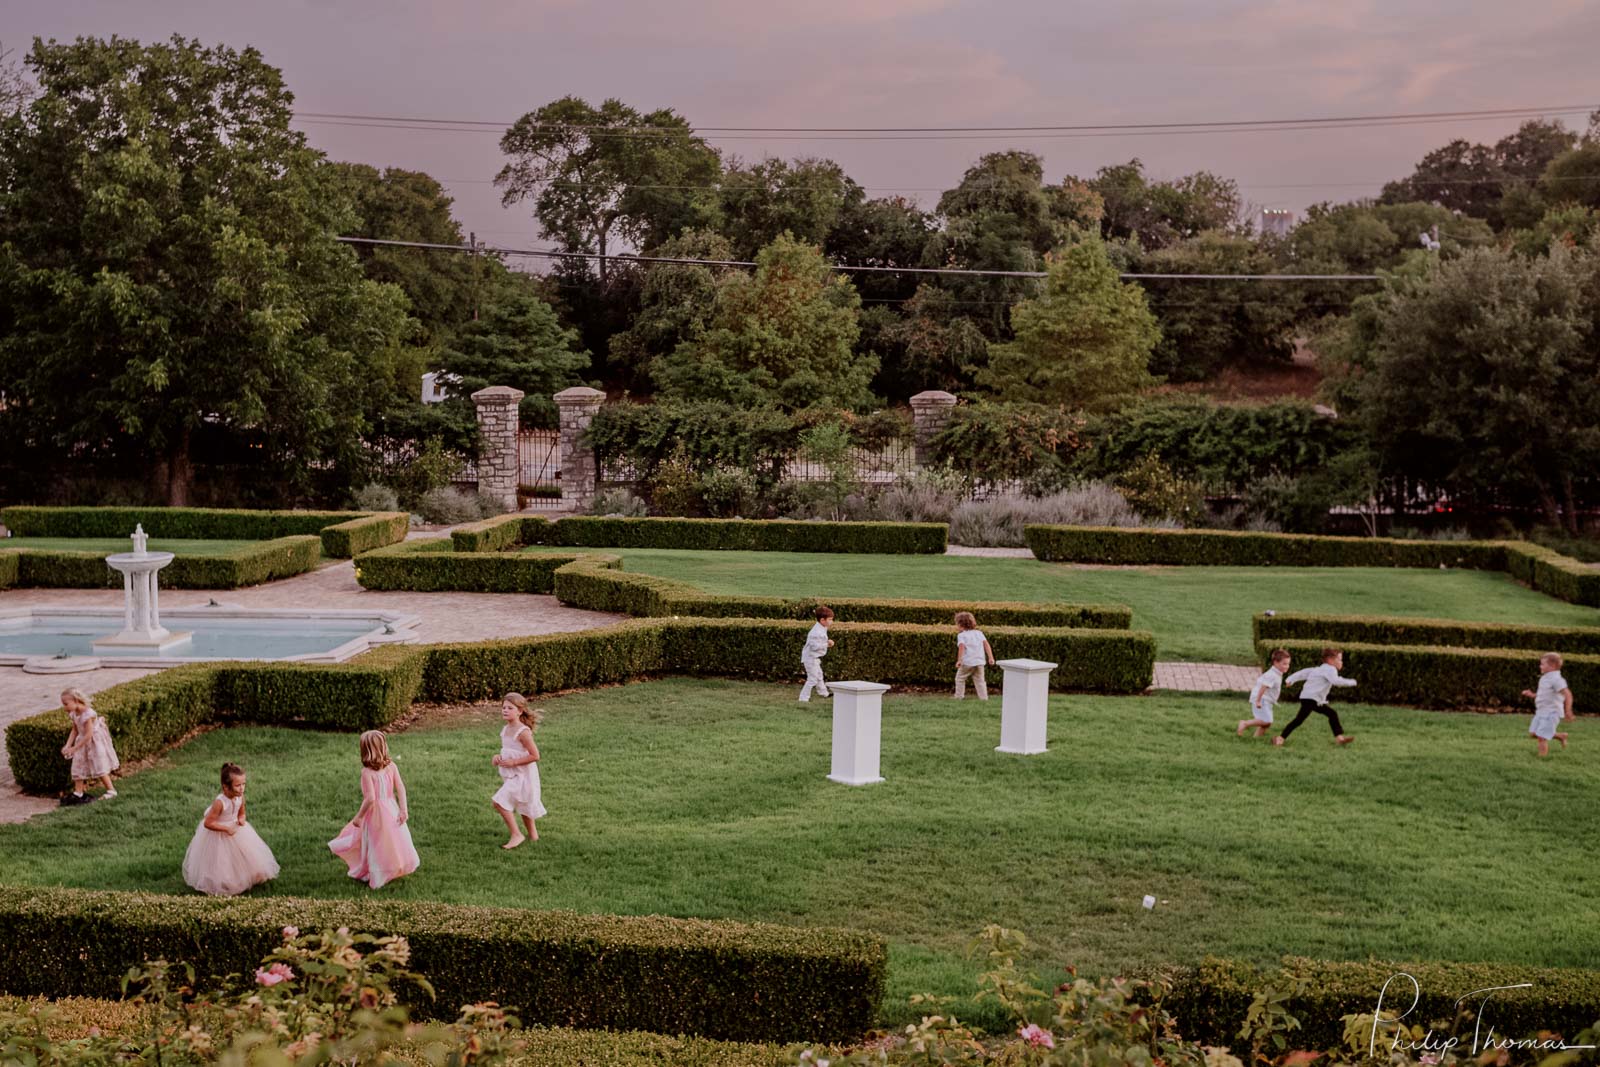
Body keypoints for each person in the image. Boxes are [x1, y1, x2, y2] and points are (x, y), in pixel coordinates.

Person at [329, 730, 419, 889]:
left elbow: (370, 798)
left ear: (364, 751)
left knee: (376, 842)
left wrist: (359, 816)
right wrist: (403, 809)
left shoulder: (366, 773)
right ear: (384, 747)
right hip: (391, 808)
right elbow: (401, 788)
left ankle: (378, 874)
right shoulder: (391, 766)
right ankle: (394, 866)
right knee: (393, 840)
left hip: (376, 814)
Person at [182, 762, 280, 896]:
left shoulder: (240, 797)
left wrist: (241, 819)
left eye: (244, 784)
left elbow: (242, 812)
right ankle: (224, 882)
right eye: (238, 785)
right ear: (225, 787)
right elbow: (208, 823)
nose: (242, 788)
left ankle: (249, 876)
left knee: (246, 856)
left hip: (237, 830)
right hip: (219, 834)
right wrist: (226, 828)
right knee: (222, 861)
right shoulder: (220, 803)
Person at [492, 693, 547, 849]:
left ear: (520, 711)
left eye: (510, 708)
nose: (505, 710)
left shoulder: (523, 732)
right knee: (523, 803)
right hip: (512, 774)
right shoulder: (506, 729)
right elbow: (508, 750)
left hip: (523, 775)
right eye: (503, 707)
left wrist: (514, 762)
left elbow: (535, 755)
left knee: (498, 802)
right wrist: (497, 757)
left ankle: (517, 834)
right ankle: (534, 837)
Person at [1274, 648, 1357, 746]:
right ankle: (1280, 738)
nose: (1341, 662)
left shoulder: (1318, 669)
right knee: (1301, 719)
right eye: (1339, 659)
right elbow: (1336, 681)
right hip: (1312, 699)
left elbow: (1303, 673)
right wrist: (1352, 682)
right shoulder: (1330, 669)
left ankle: (1339, 738)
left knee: (1328, 714)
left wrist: (1290, 679)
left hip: (1309, 698)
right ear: (1330, 660)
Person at [59, 688, 119, 805]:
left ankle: (111, 790)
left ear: (76, 701)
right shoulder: (74, 713)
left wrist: (74, 748)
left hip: (93, 742)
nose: (64, 707)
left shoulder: (88, 714)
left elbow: (89, 735)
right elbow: (75, 729)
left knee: (98, 764)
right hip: (81, 740)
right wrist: (68, 745)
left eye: (66, 704)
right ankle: (78, 792)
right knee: (78, 764)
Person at [1521, 652, 1574, 757]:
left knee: (1541, 737)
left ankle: (1542, 758)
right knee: (1534, 733)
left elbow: (1568, 695)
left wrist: (1568, 710)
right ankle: (1561, 736)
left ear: (1552, 666)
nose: (1540, 666)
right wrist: (1532, 695)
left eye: (1542, 664)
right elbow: (1544, 694)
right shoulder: (1545, 678)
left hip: (1552, 712)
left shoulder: (1557, 680)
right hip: (1541, 711)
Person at [1239, 649, 1291, 738]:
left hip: (1267, 700)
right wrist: (1258, 701)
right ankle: (1245, 723)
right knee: (1267, 721)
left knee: (1266, 724)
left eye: (1288, 664)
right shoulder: (1272, 675)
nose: (1287, 666)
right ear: (1275, 662)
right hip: (1262, 699)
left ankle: (1256, 739)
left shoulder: (1277, 673)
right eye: (1284, 664)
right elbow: (1263, 687)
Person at [953, 611, 996, 700]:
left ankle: (959, 696)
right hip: (980, 662)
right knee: (980, 681)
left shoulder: (961, 635)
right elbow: (986, 645)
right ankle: (984, 698)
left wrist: (959, 660)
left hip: (968, 662)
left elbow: (961, 648)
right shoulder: (979, 633)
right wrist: (991, 657)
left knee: (960, 678)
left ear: (961, 625)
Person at [799, 605, 835, 702]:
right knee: (813, 679)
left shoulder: (822, 627)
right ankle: (803, 698)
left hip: (814, 658)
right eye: (830, 619)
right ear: (822, 620)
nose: (832, 622)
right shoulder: (816, 632)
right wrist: (827, 644)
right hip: (810, 658)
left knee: (819, 675)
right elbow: (814, 646)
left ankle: (824, 693)